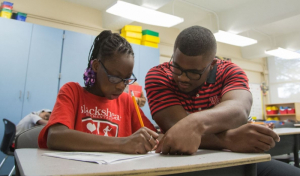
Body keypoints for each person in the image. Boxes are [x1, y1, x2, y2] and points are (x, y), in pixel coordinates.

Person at [145, 26, 300, 175]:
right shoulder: (158, 75)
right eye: (177, 67)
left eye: (194, 72)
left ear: (211, 65)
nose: (182, 77)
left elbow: (239, 109)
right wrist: (229, 139)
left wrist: (195, 123)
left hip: (233, 158)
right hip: (178, 162)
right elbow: (178, 131)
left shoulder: (230, 71)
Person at [38, 30, 158, 154]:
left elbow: (154, 138)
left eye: (126, 79)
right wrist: (122, 143)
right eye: (115, 77)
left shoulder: (127, 101)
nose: (121, 86)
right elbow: (56, 137)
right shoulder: (72, 92)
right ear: (96, 66)